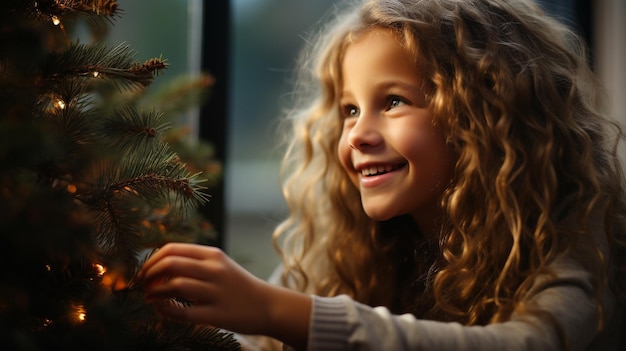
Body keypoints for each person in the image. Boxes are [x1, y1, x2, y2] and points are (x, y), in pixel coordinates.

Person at [137, 0, 626, 350]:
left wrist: (275, 309)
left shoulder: (576, 228)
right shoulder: (345, 245)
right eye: (350, 109)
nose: (356, 136)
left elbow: (527, 342)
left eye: (393, 101)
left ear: (487, 112)